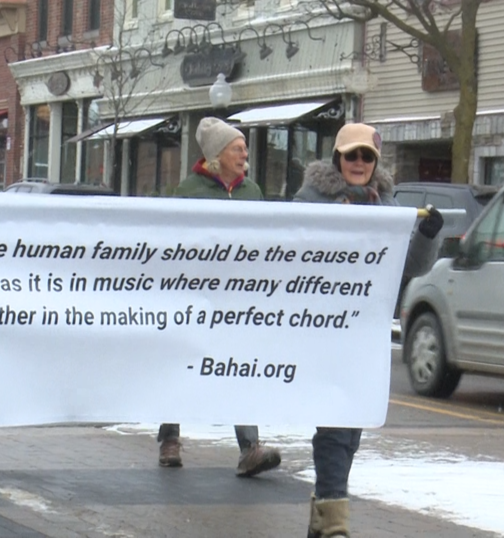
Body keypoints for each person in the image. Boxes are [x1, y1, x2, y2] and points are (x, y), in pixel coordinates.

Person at [292, 123, 443, 538]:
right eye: (351, 155)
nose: (358, 163)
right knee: (336, 424)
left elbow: (411, 267)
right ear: (337, 158)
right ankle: (333, 521)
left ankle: (322, 518)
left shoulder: (390, 207)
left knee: (350, 426)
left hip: (368, 329)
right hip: (324, 329)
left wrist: (428, 235)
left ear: (375, 163)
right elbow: (291, 258)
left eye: (367, 156)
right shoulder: (308, 202)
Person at [157, 117, 283, 478]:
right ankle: (169, 438)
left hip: (236, 298)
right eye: (237, 147)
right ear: (216, 154)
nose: (245, 153)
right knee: (180, 362)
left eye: (244, 147)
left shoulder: (252, 192)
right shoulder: (188, 192)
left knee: (237, 364)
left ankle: (250, 448)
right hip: (194, 295)